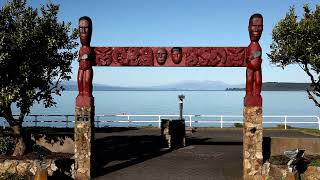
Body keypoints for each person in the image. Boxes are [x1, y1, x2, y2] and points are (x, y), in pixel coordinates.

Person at [245, 13, 263, 106]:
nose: (256, 29)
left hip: (258, 68)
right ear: (249, 28)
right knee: (249, 80)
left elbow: (259, 53)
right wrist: (250, 58)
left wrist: (257, 58)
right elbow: (247, 57)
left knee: (258, 81)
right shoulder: (249, 47)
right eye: (254, 26)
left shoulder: (258, 46)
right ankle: (249, 94)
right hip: (250, 68)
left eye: (259, 26)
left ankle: (257, 95)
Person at [77, 16, 93, 98]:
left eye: (86, 28)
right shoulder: (80, 49)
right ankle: (80, 94)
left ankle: (87, 94)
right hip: (81, 68)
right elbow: (79, 58)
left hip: (88, 68)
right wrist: (81, 58)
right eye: (81, 28)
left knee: (87, 80)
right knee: (79, 80)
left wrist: (85, 56)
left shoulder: (90, 49)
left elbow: (89, 56)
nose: (83, 31)